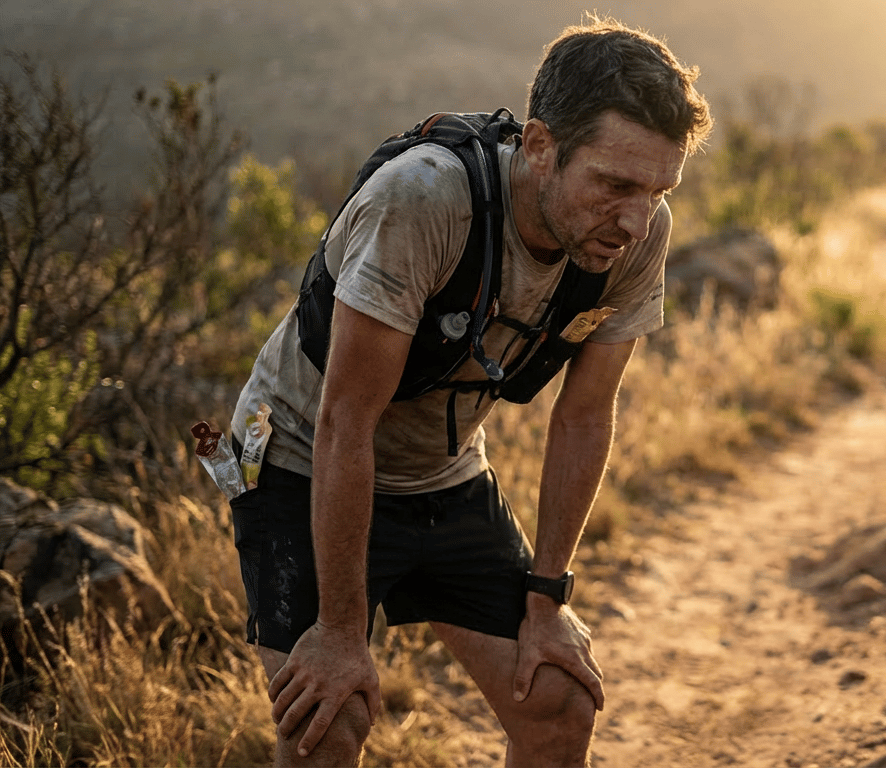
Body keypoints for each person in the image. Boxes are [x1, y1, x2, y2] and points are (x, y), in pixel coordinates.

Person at [227, 17, 712, 767]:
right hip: (298, 456)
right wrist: (340, 636)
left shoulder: (637, 231)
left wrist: (548, 603)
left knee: (558, 700)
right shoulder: (423, 202)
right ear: (542, 146)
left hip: (441, 471)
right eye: (615, 185)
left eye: (658, 189)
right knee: (331, 720)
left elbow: (583, 416)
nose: (636, 219)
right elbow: (344, 420)